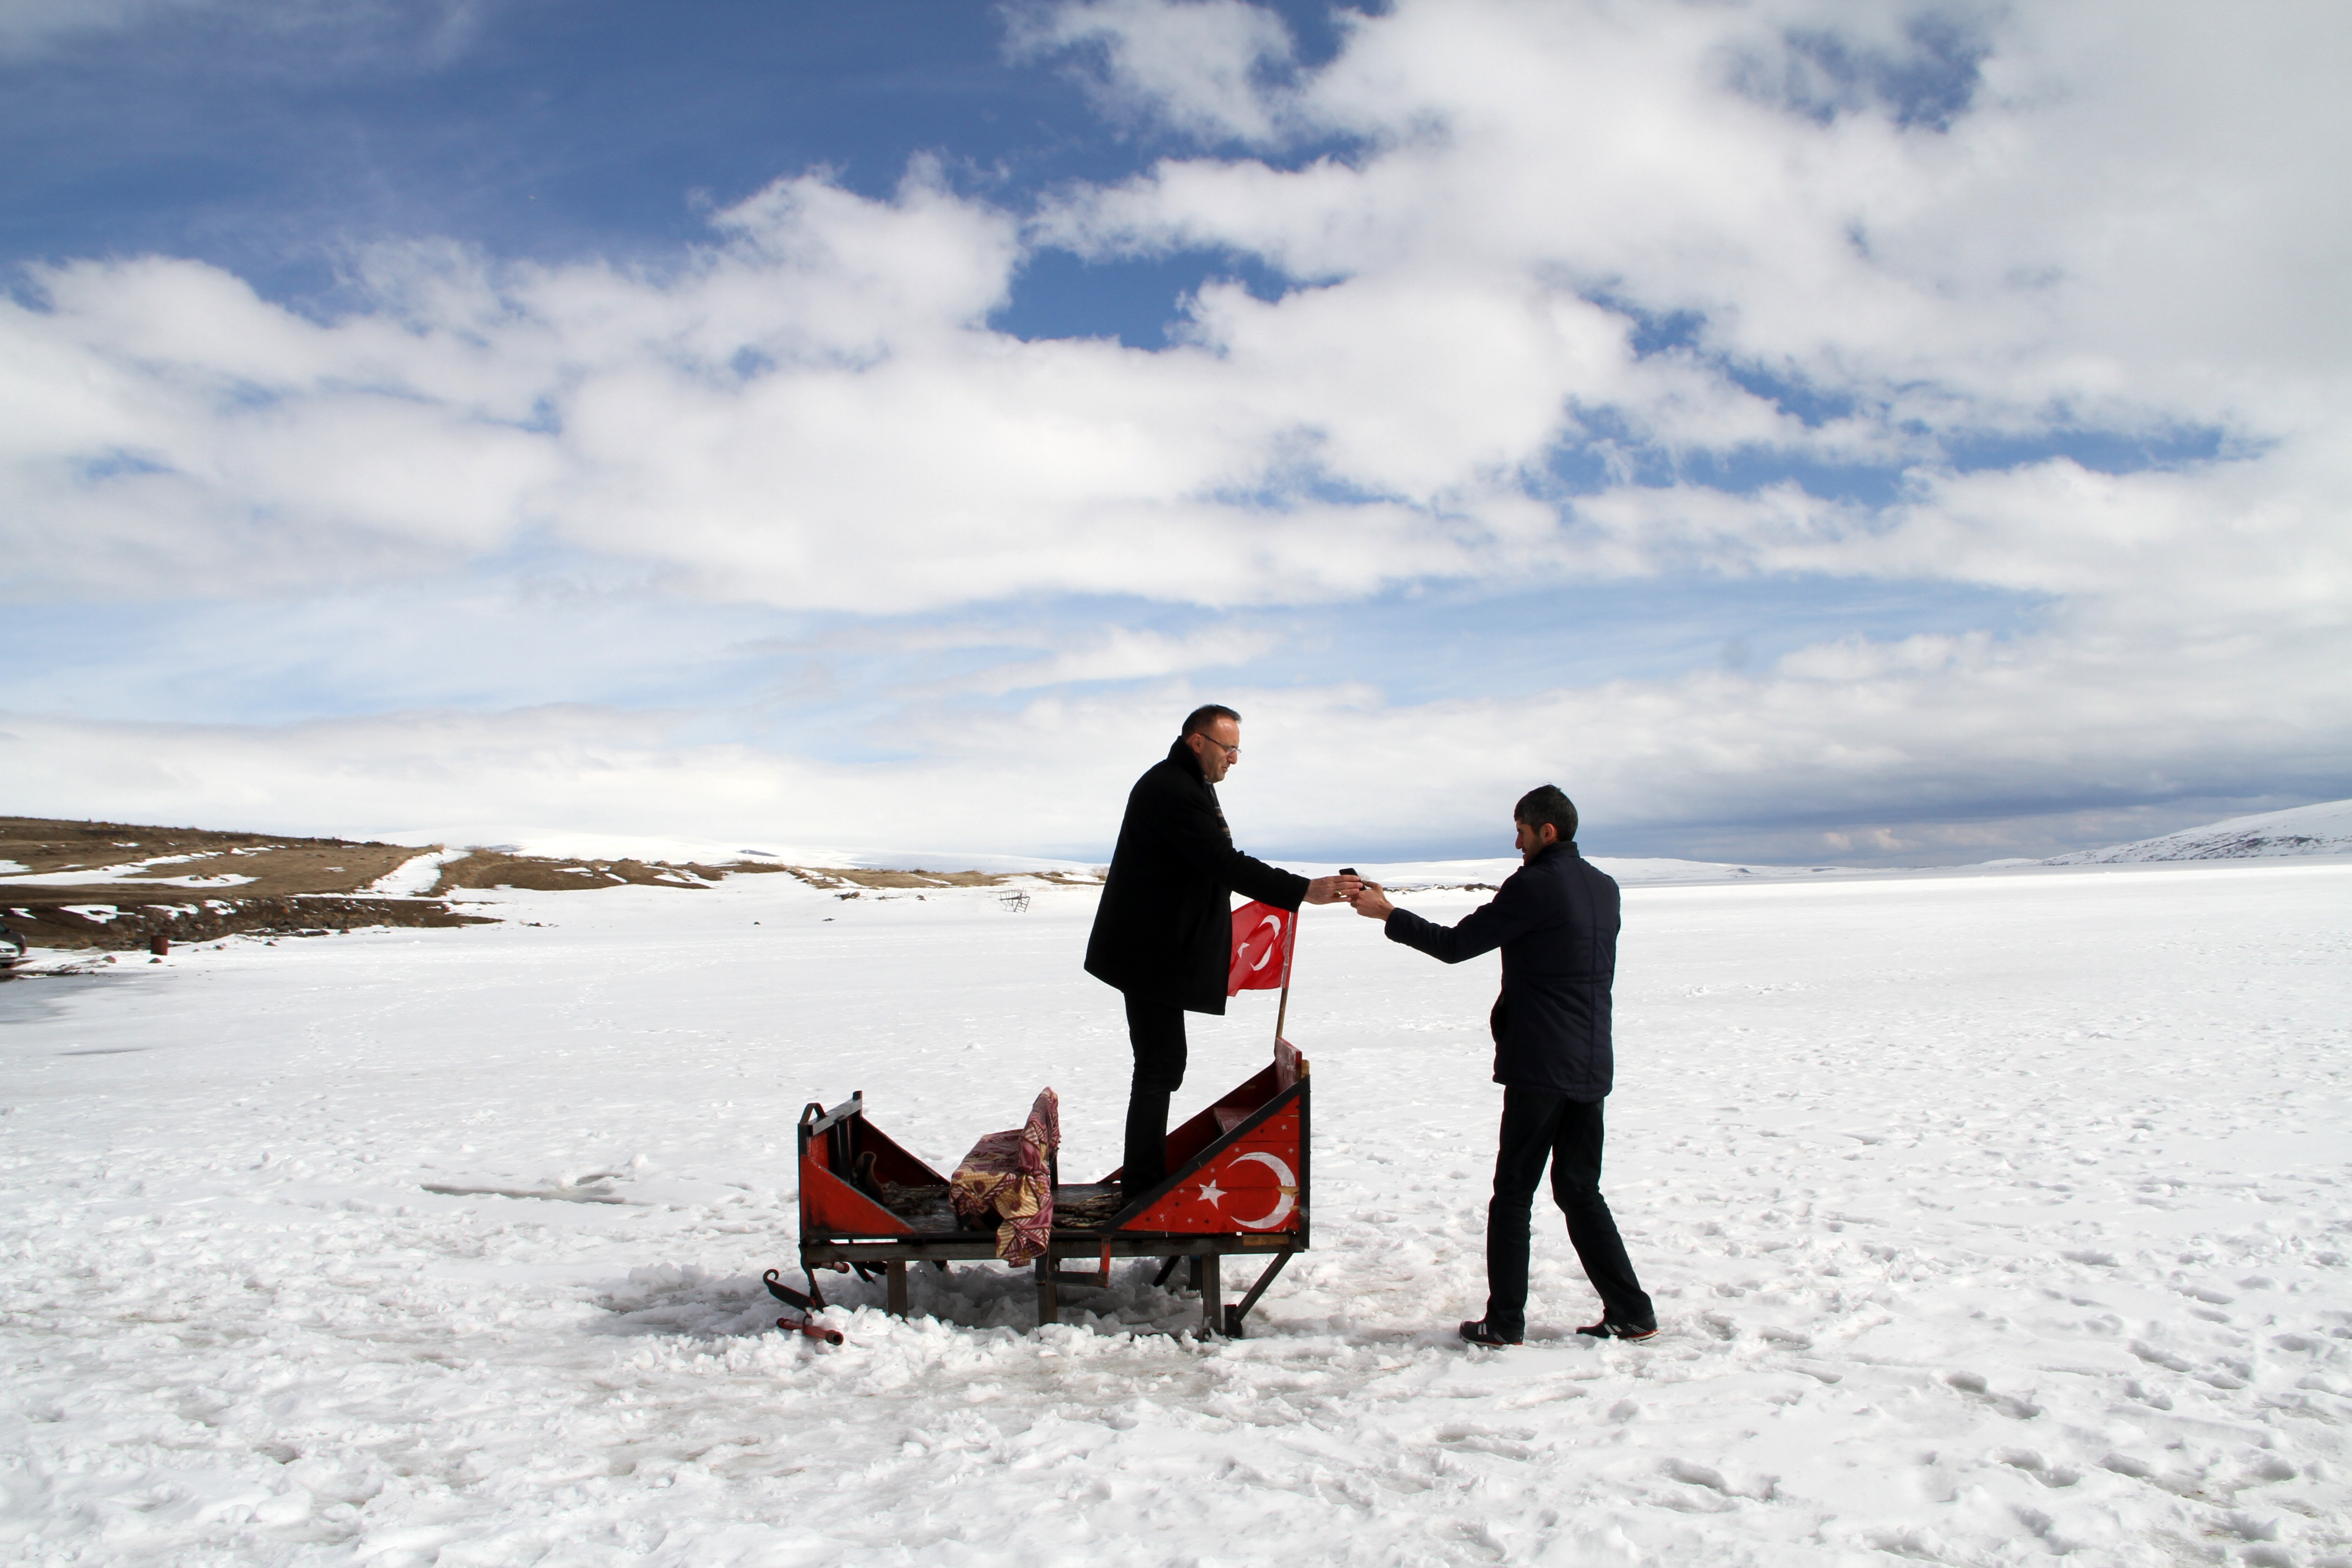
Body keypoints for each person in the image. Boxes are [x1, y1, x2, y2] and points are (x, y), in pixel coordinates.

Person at [1348, 784, 1656, 1346]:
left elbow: (1456, 944)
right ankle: (1631, 1310)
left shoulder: (1536, 885)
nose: (1515, 842)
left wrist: (1386, 913)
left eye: (1521, 830)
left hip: (1542, 1062)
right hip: (1590, 1060)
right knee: (1580, 1189)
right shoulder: (1603, 888)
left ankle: (1506, 1321)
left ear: (1548, 832)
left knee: (1514, 1192)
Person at [1086, 705, 1360, 1196]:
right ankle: (1144, 1185)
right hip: (1148, 953)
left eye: (1238, 750)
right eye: (1227, 748)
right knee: (1159, 1064)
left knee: (1162, 1063)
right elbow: (1224, 864)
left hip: (1155, 951)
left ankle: (1145, 1177)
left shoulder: (1190, 786)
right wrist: (1304, 890)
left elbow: (1214, 866)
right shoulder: (1173, 789)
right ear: (1198, 742)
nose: (1234, 759)